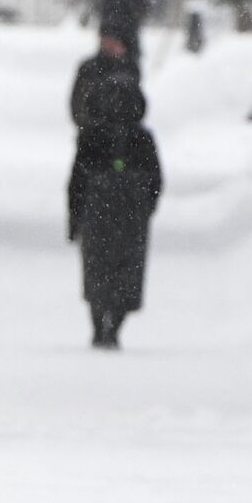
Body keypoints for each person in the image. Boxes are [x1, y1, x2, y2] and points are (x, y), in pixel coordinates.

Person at [67, 72, 163, 348]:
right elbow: (156, 180)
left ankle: (100, 325)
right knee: (125, 273)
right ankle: (112, 326)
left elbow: (76, 182)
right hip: (130, 218)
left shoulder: (92, 136)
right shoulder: (141, 138)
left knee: (98, 271)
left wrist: (75, 219)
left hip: (98, 216)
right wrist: (145, 206)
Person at [97, 0, 149, 68]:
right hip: (129, 33)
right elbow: (144, 8)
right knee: (129, 66)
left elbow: (101, 8)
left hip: (109, 32)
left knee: (105, 65)